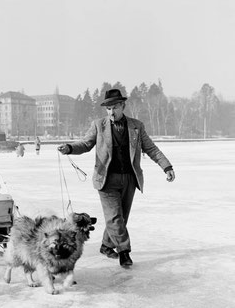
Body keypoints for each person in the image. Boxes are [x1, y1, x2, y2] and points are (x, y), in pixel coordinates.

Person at [58, 89, 175, 268]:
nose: (111, 112)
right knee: (115, 218)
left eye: (114, 108)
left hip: (129, 178)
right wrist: (70, 147)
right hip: (106, 180)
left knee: (121, 218)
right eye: (108, 109)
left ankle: (106, 245)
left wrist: (166, 166)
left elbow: (151, 148)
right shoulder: (98, 125)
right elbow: (86, 144)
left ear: (122, 106)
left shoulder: (136, 126)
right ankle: (124, 252)